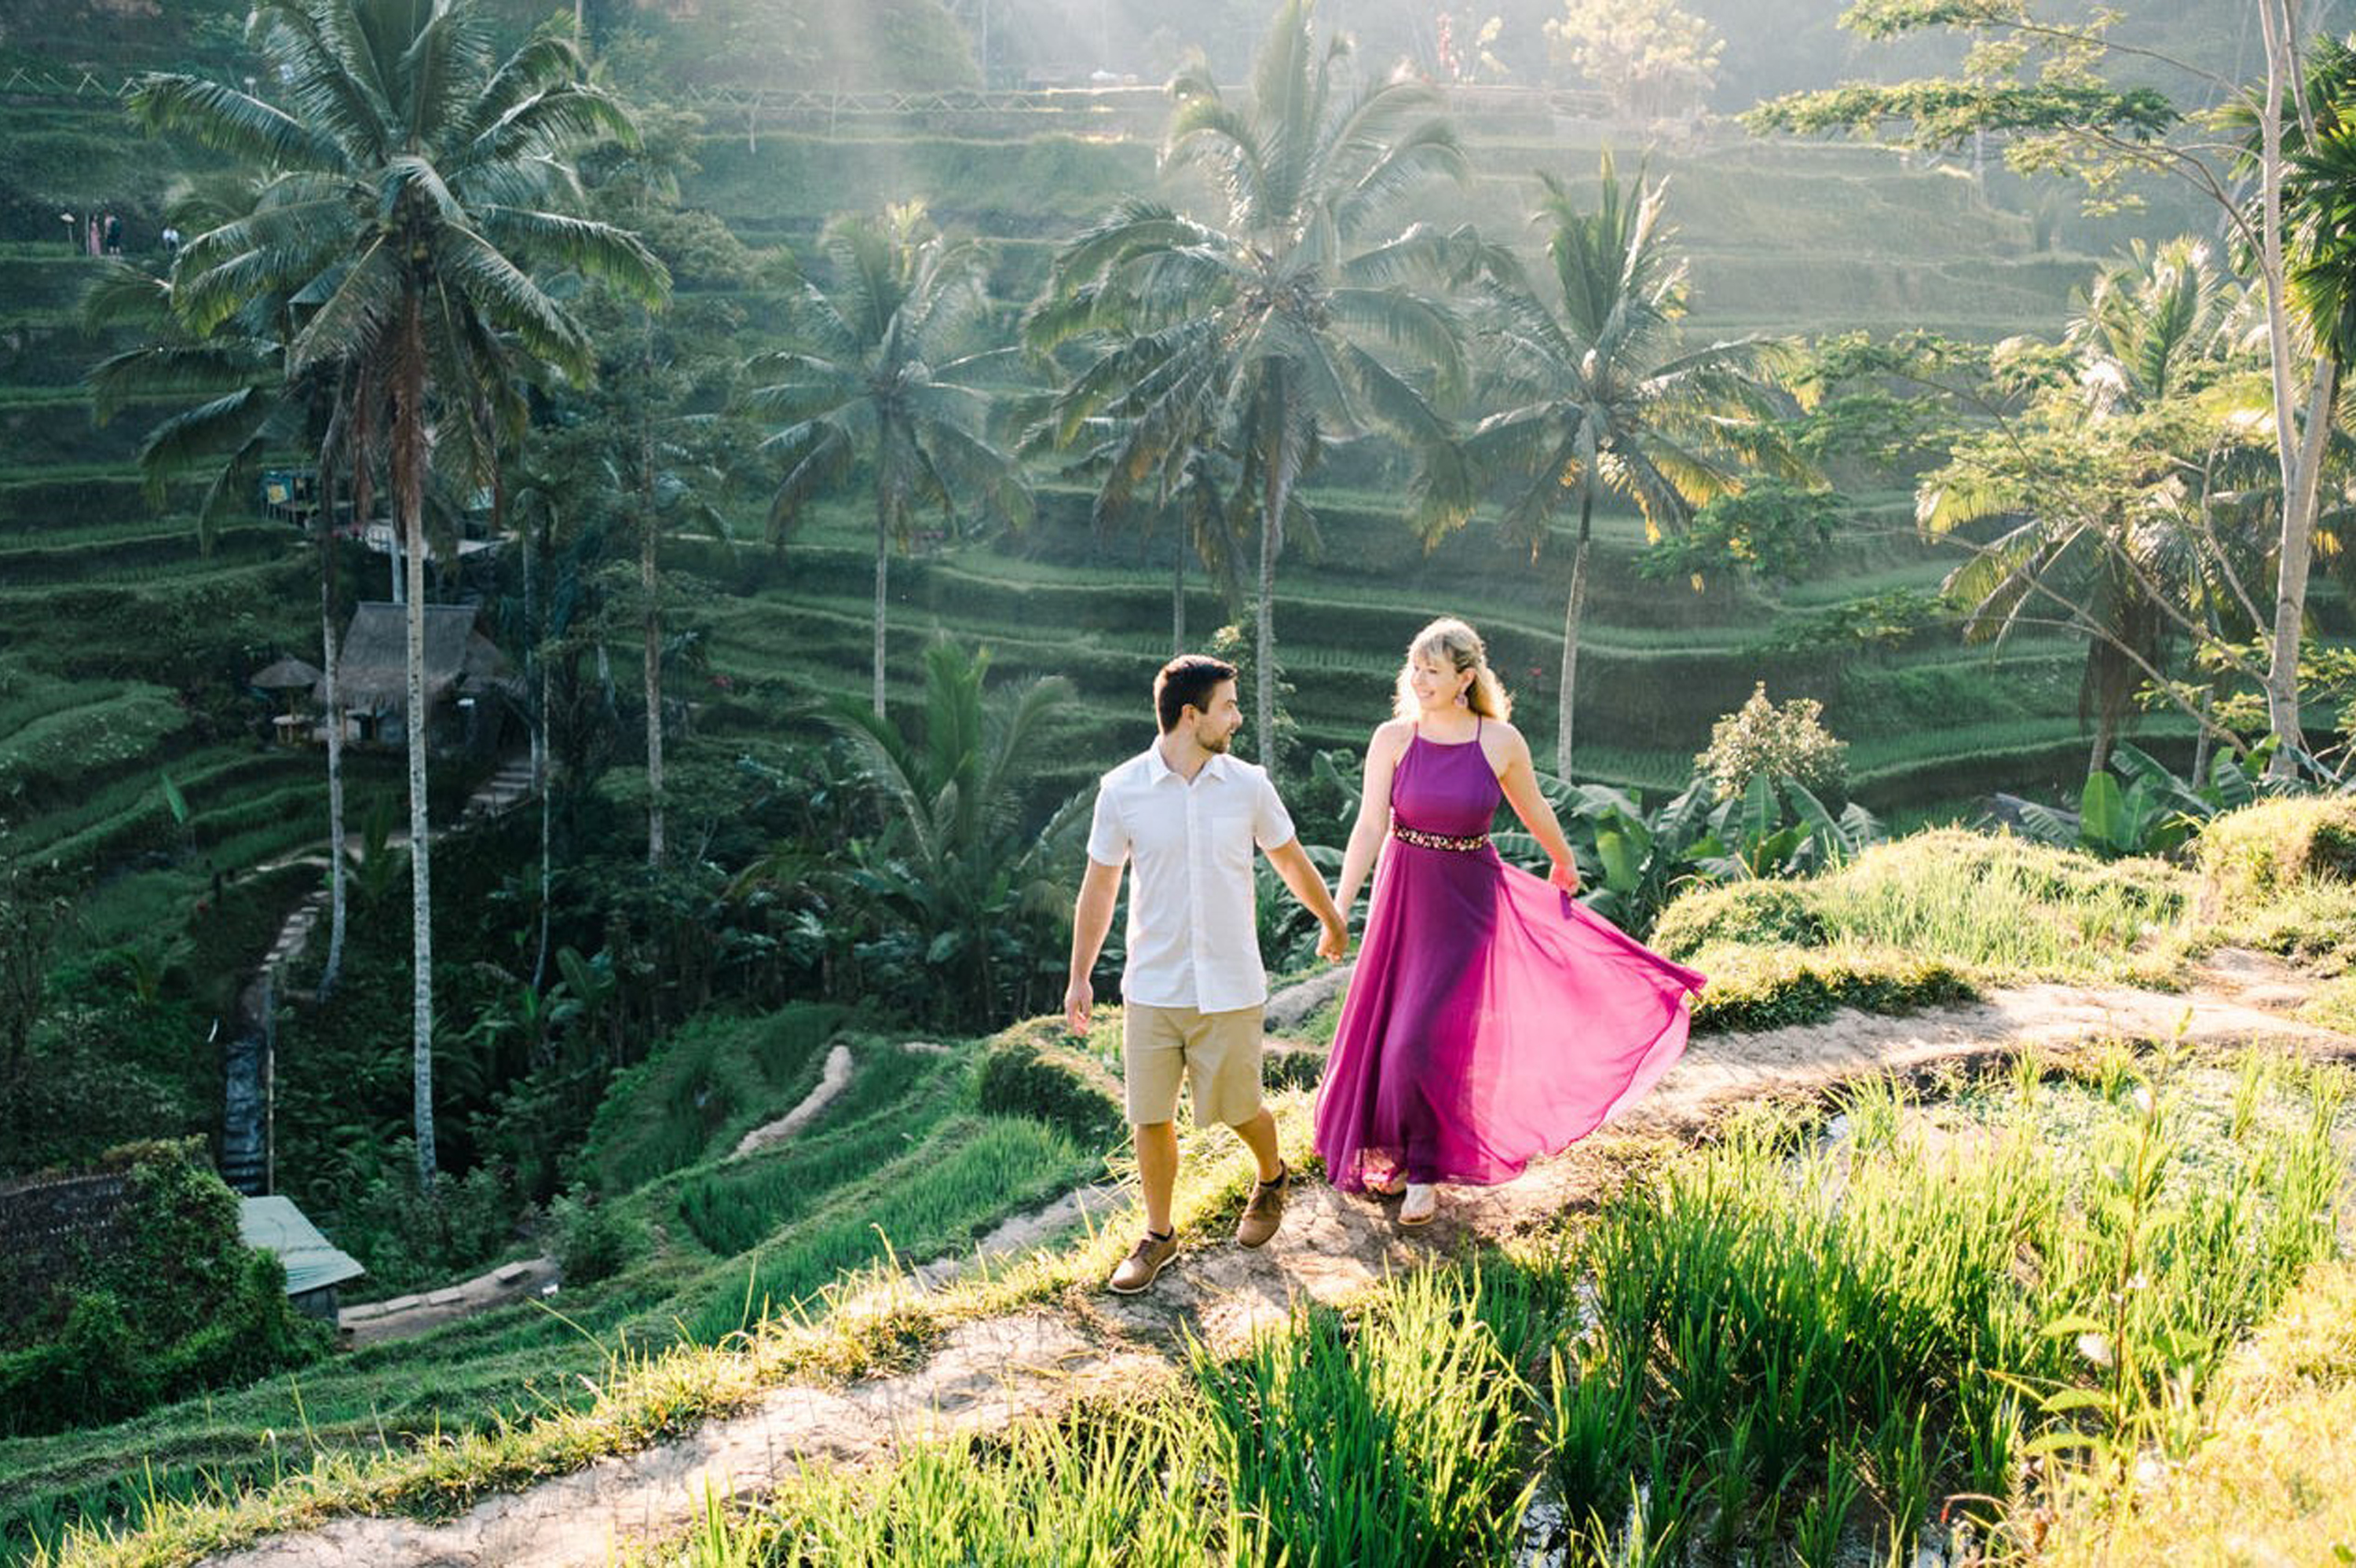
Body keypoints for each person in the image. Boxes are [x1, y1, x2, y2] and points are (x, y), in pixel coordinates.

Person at [1313, 617, 1705, 1226]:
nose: (1418, 679)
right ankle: (1394, 1156)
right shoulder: (1392, 738)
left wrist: (1563, 858)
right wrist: (1339, 908)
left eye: (1433, 670)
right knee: (1392, 1036)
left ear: (1466, 678)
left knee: (1421, 1038)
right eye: (1414, 666)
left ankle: (1424, 1172)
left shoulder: (1499, 741)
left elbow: (1534, 806)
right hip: (1403, 898)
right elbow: (1368, 826)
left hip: (1467, 902)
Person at [1066, 653, 1350, 1294]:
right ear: (1190, 716)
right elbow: (1099, 889)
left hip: (1228, 981)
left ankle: (1272, 1173)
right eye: (1228, 705)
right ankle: (1160, 1234)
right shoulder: (1122, 790)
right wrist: (1080, 975)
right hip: (1153, 985)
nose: (1238, 717)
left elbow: (1289, 859)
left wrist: (1331, 920)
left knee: (1237, 1107)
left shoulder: (1247, 785)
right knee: (1150, 1115)